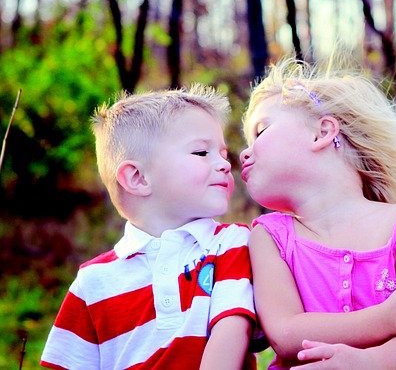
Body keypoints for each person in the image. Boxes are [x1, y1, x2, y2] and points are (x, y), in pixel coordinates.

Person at [239, 57, 396, 369]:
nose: (245, 152)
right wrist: (386, 318)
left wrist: (365, 363)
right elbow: (285, 334)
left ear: (322, 133)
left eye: (261, 131)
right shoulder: (270, 237)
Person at [41, 84, 258, 369]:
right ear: (138, 178)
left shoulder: (230, 244)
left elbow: (232, 332)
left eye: (222, 153)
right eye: (201, 152)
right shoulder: (93, 283)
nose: (224, 164)